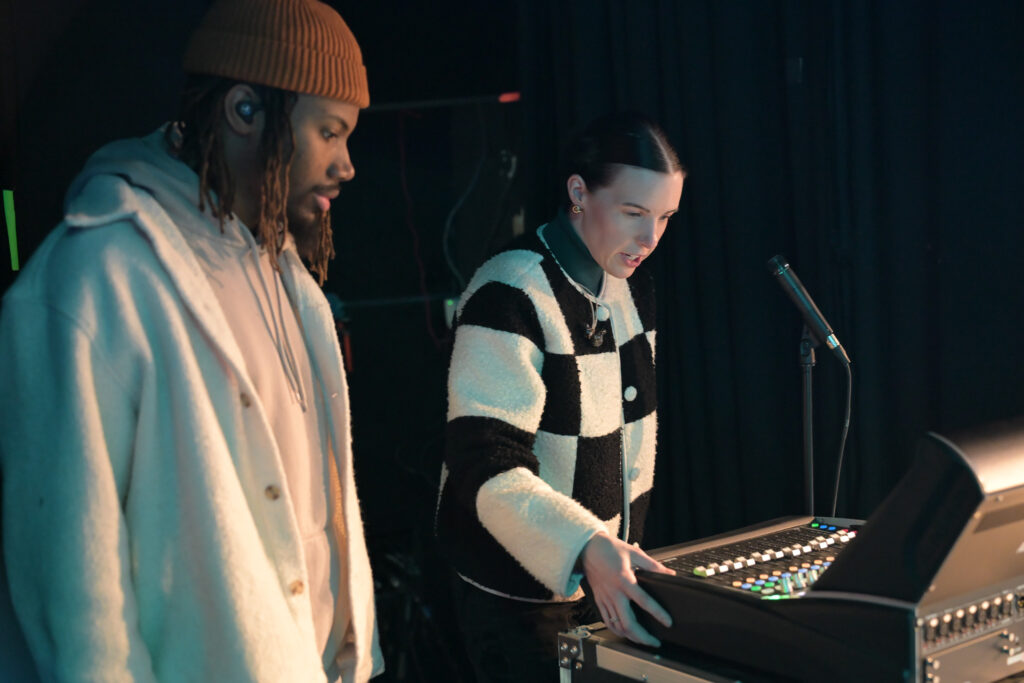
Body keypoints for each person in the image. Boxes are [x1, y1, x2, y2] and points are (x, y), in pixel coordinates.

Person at [0, 1, 384, 681]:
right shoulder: (94, 277)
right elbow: (77, 591)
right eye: (329, 132)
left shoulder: (289, 278)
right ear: (245, 110)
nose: (347, 165)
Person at [435, 112, 687, 681]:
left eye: (665, 217)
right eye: (634, 213)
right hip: (515, 603)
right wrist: (588, 545)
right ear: (578, 192)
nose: (650, 239)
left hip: (596, 584)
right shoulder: (510, 289)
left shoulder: (630, 284)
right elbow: (484, 462)